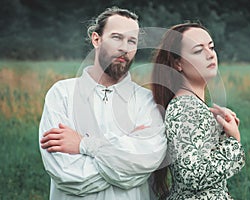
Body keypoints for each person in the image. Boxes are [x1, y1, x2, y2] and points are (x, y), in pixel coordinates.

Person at [39, 7, 166, 200]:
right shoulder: (62, 94)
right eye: (117, 37)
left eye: (132, 41)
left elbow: (146, 161)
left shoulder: (147, 101)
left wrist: (84, 144)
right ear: (96, 39)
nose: (125, 47)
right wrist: (125, 153)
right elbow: (66, 174)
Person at [151, 23, 245, 199]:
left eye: (211, 47)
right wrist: (233, 141)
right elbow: (193, 177)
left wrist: (221, 133)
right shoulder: (186, 108)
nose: (210, 55)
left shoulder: (190, 104)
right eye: (198, 51)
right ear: (178, 63)